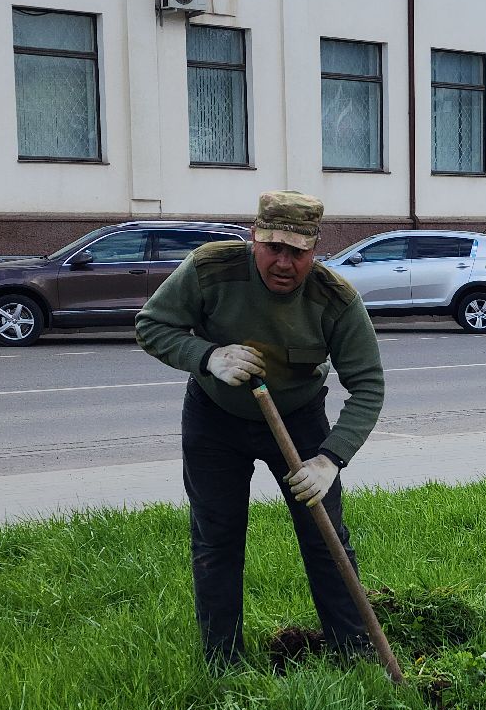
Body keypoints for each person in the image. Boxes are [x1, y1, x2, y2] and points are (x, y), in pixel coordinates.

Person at [136, 191, 386, 669]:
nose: (284, 263)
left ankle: (354, 654)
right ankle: (222, 660)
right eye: (273, 247)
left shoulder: (334, 299)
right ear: (254, 237)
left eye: (297, 251)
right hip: (214, 417)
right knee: (217, 536)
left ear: (315, 250)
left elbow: (369, 387)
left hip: (299, 420)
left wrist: (330, 459)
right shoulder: (211, 269)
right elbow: (152, 325)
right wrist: (206, 357)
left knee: (324, 535)